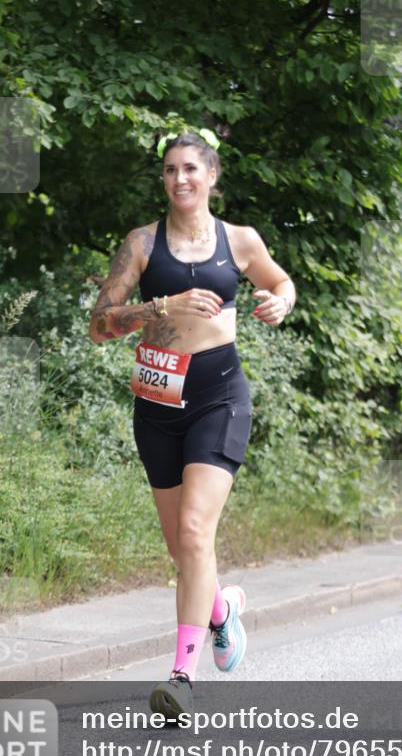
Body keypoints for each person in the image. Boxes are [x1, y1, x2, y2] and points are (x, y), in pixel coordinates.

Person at [88, 130, 296, 719]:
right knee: (183, 549)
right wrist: (161, 306)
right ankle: (221, 609)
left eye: (190, 169)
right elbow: (98, 326)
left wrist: (281, 301)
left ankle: (181, 677)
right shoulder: (141, 244)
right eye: (170, 170)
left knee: (196, 530)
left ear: (211, 176)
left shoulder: (239, 240)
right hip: (157, 406)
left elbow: (279, 281)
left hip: (218, 398)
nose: (180, 179)